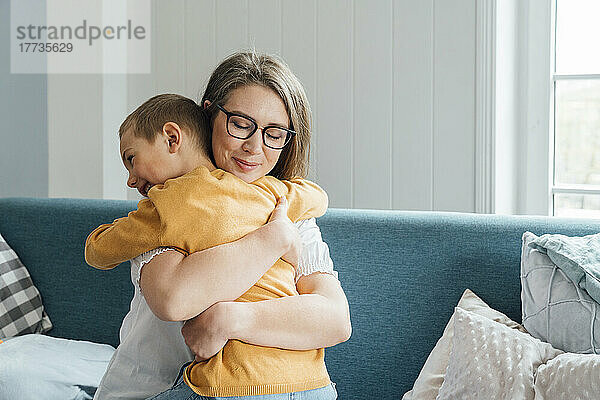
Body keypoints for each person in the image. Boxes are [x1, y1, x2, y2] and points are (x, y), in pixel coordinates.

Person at [93, 52, 350, 400]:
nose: (254, 147)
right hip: (151, 390)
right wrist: (273, 238)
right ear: (209, 114)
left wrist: (230, 319)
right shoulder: (172, 202)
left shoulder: (282, 205)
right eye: (241, 124)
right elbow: (173, 298)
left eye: (274, 134)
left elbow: (334, 319)